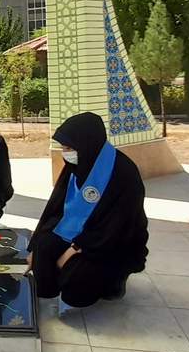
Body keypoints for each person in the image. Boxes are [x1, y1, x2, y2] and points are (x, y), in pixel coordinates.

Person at [26, 112, 148, 308]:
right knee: (44, 247)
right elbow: (55, 207)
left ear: (86, 143)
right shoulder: (79, 162)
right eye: (63, 148)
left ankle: (113, 283)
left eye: (69, 148)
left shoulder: (123, 173)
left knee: (76, 285)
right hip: (76, 228)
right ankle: (52, 286)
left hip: (109, 241)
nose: (65, 153)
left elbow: (118, 225)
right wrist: (36, 246)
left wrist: (72, 250)